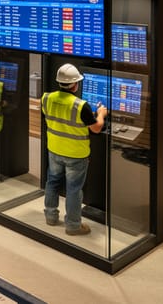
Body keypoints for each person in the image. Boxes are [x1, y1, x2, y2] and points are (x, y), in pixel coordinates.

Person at [42, 63, 107, 236]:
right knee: (73, 190)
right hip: (76, 155)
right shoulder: (81, 105)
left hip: (54, 150)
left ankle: (50, 216)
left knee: (52, 182)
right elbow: (96, 128)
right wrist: (101, 114)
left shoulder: (46, 98)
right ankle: (73, 226)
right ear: (76, 84)